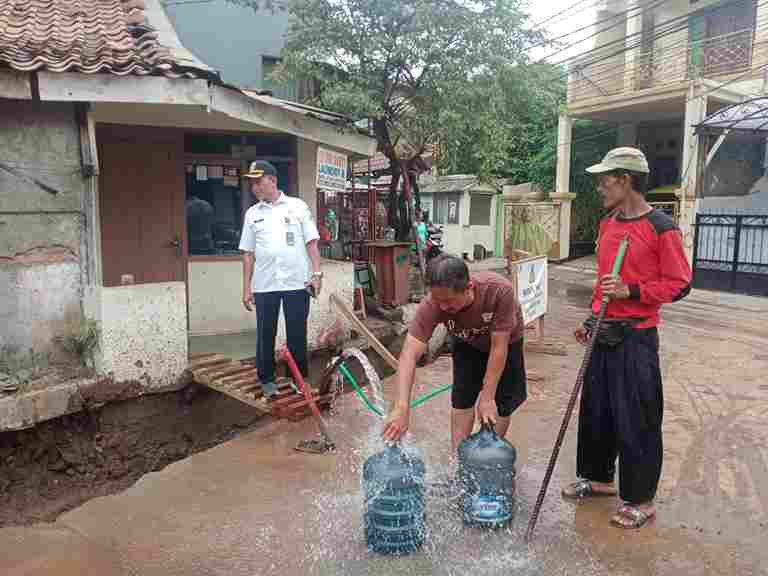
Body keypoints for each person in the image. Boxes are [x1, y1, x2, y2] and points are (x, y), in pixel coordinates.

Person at [561, 147, 692, 530]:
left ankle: (640, 498)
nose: (599, 186)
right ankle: (599, 478)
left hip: (637, 337)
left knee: (638, 417)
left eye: (605, 179)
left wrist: (632, 292)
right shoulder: (609, 224)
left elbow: (680, 284)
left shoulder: (661, 227)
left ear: (625, 180)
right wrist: (591, 319)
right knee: (597, 411)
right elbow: (604, 284)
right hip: (604, 331)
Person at [383, 254, 527, 451]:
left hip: (506, 343)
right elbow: (409, 354)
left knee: (501, 402)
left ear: (468, 288)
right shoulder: (432, 305)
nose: (442, 307)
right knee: (462, 398)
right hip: (467, 341)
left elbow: (498, 347)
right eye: (437, 300)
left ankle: (490, 456)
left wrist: (487, 396)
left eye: (449, 301)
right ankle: (458, 460)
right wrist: (401, 407)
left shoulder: (498, 291)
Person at [238, 161, 323, 399]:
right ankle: (266, 379)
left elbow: (312, 243)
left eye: (258, 181)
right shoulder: (252, 214)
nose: (254, 187)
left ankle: (298, 380)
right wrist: (246, 288)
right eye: (252, 183)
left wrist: (317, 274)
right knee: (266, 332)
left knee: (297, 333)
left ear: (272, 180)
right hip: (265, 285)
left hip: (298, 283)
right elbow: (248, 253)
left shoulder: (297, 207)